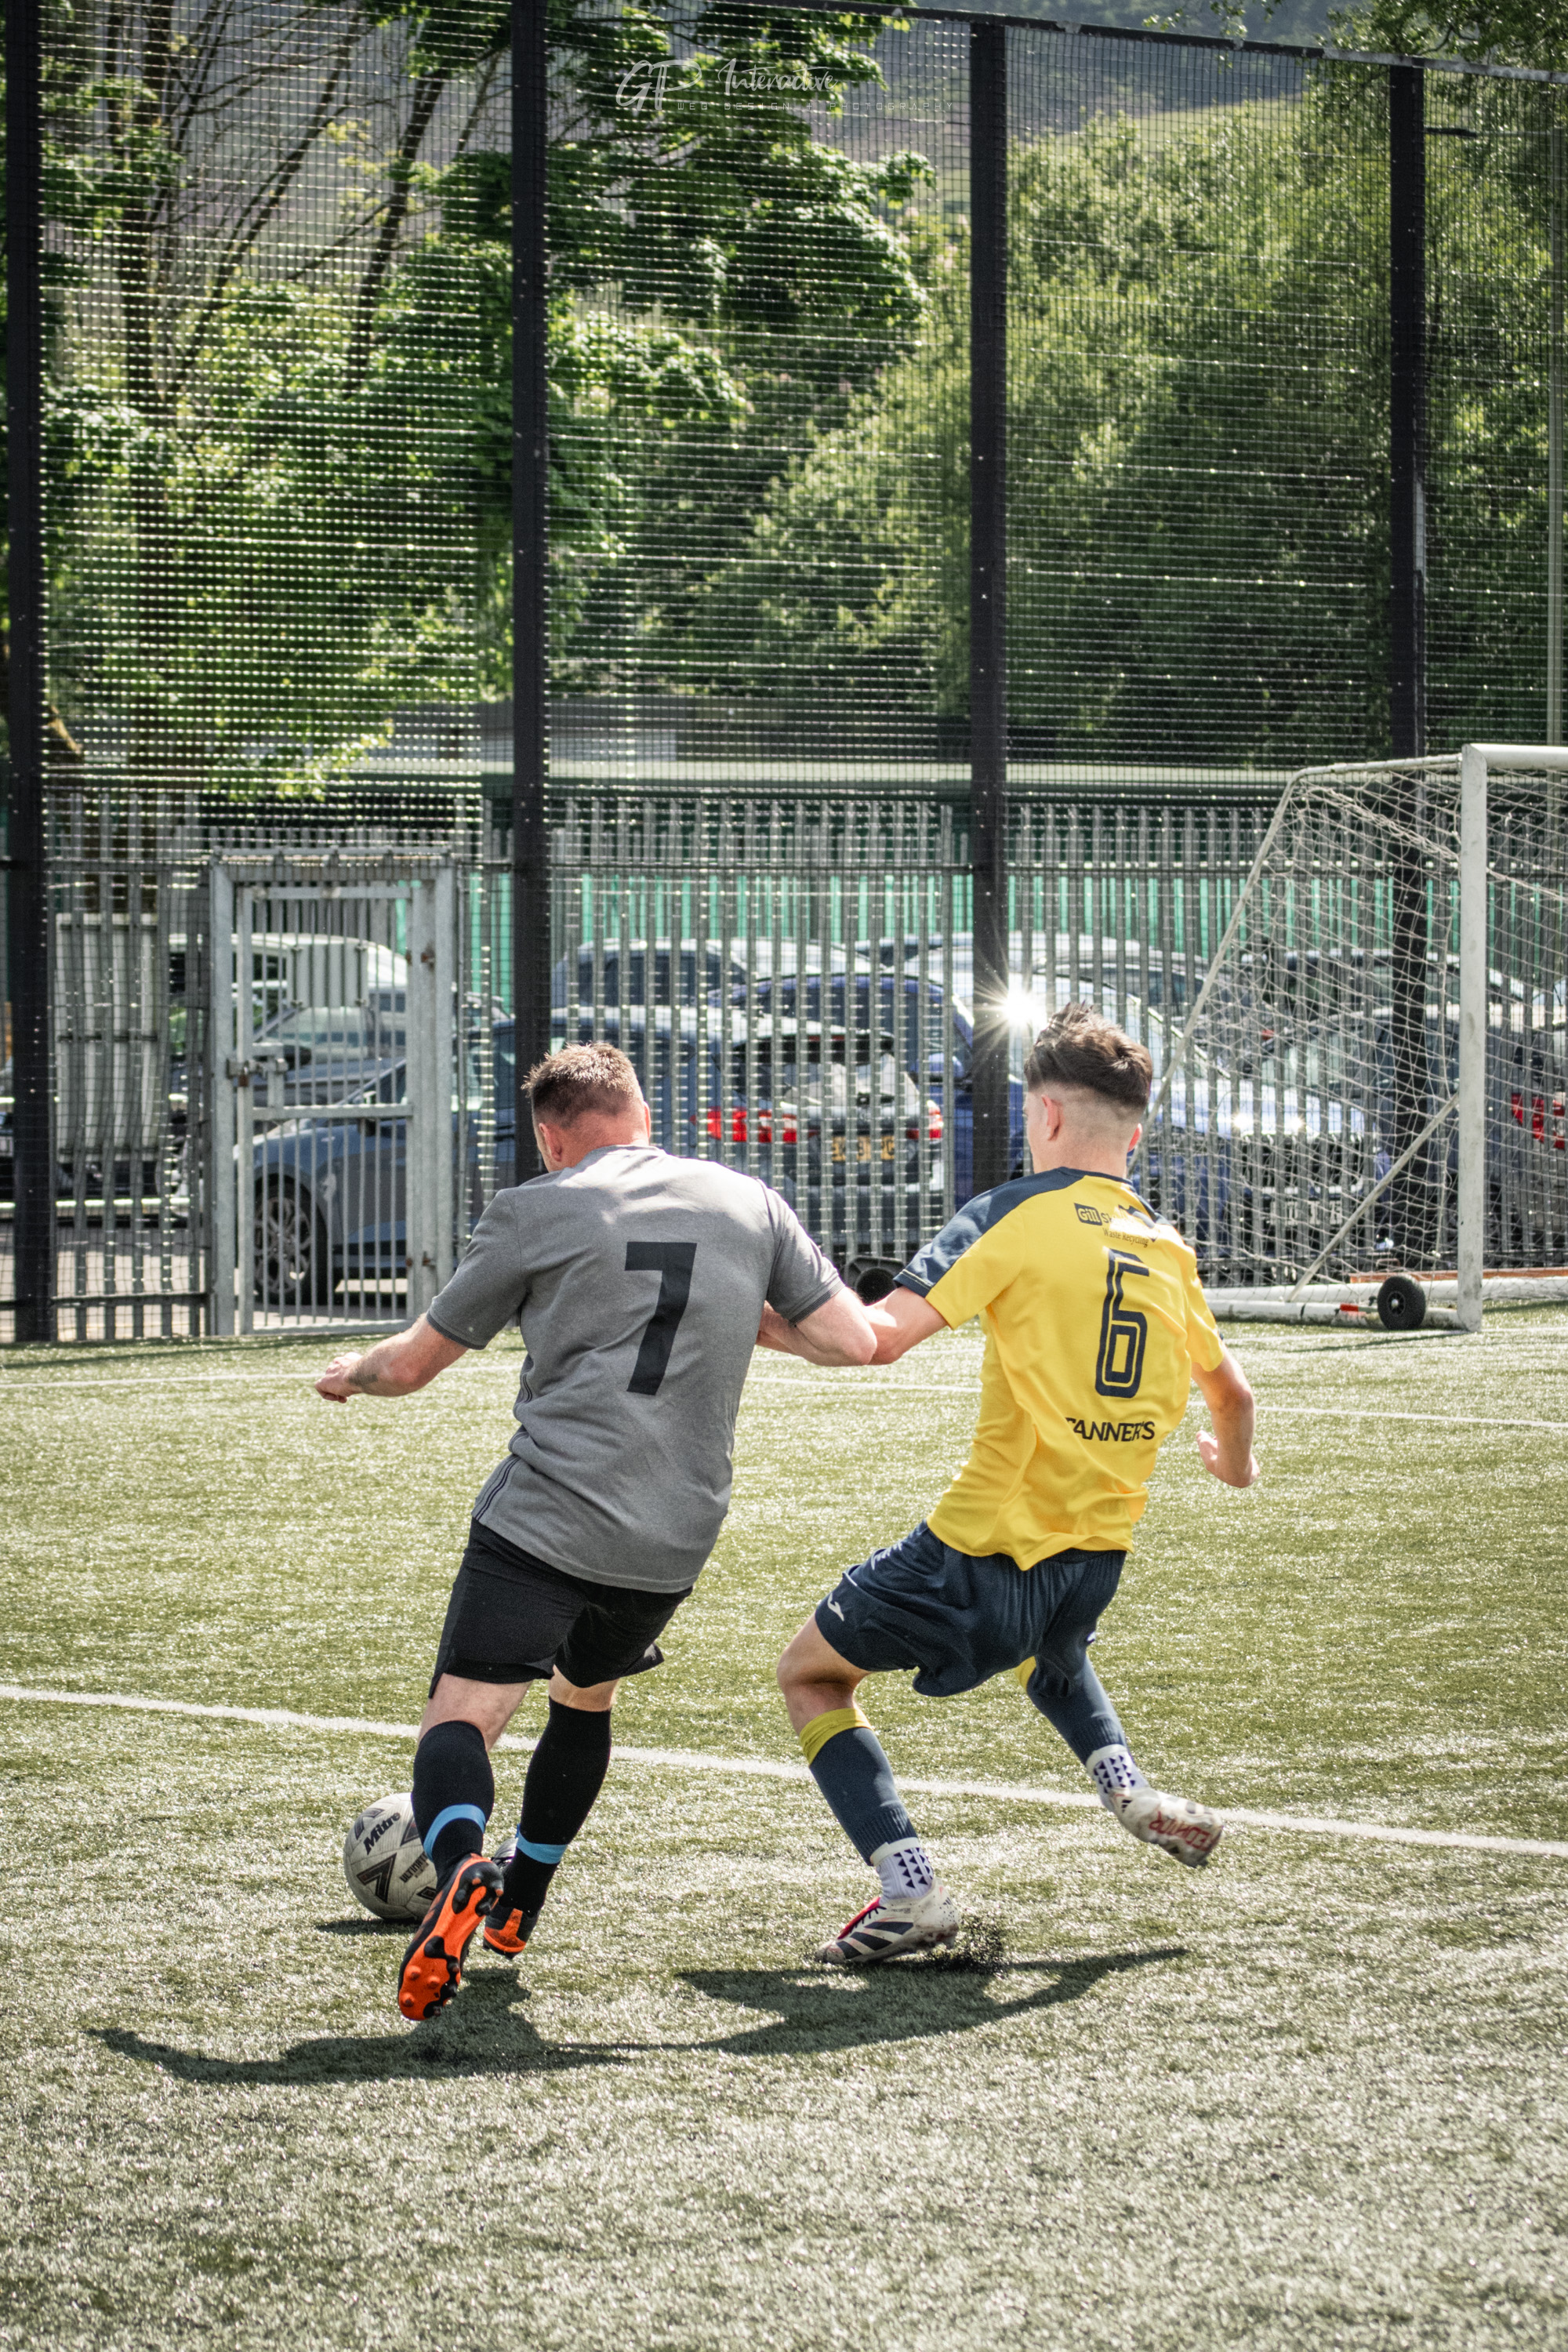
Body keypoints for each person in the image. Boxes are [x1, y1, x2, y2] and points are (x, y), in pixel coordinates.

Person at [317, 1042, 876, 2021]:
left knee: (462, 1718)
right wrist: (747, 1309)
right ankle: (519, 1904)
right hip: (672, 1533)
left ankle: (456, 1870)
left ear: (549, 1134)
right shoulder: (746, 1200)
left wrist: (349, 1375)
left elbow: (409, 1366)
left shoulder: (539, 1206)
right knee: (584, 1700)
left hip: (547, 1514)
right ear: (641, 1115)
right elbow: (853, 1341)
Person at [776, 1002, 1259, 1964]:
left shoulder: (1010, 1215)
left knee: (811, 1674)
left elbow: (877, 1342)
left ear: (1041, 1118)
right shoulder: (1166, 1247)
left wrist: (754, 1316)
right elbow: (1232, 1396)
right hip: (1096, 1554)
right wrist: (1231, 1466)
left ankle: (908, 1889)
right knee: (1055, 1653)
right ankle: (1132, 1794)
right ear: (1134, 1127)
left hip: (979, 1544)